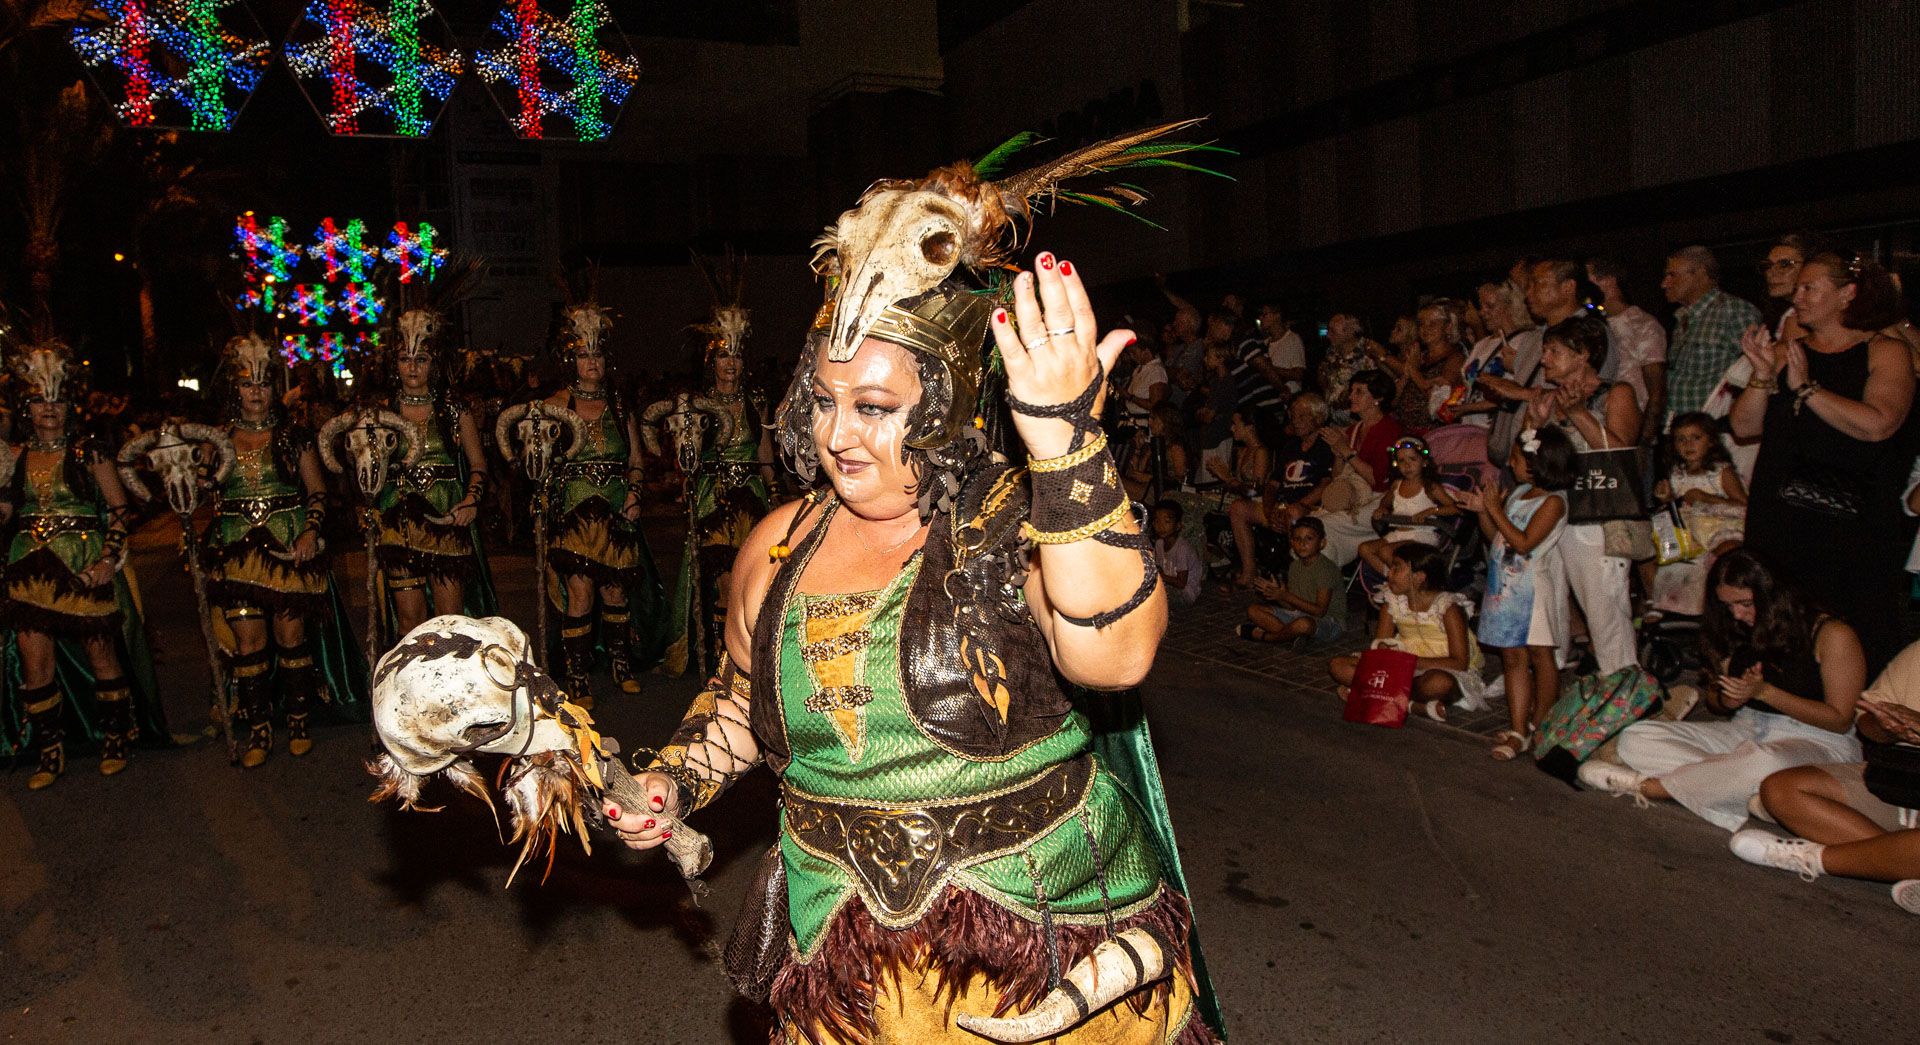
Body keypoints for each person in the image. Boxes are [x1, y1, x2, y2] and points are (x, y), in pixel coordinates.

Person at [608, 137, 1219, 1042]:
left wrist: (1063, 445)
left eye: (877, 408)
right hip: (843, 955)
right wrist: (674, 778)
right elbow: (747, 696)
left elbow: (1115, 653)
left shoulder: (1018, 522)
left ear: (944, 403)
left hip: (1042, 948)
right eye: (823, 401)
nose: (840, 434)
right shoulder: (780, 541)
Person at [1582, 550, 1864, 831]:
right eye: (1728, 605)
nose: (1737, 614)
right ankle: (1745, 793)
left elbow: (1839, 720)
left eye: (1745, 604)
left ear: (1773, 595)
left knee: (1764, 760)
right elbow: (1715, 702)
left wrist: (1766, 693)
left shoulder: (1831, 633)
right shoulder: (1733, 626)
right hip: (1749, 729)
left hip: (1817, 741)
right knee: (1638, 737)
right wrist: (1727, 700)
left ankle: (1652, 787)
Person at [1734, 251, 1916, 673]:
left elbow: (1879, 425)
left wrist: (1808, 390)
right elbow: (1744, 426)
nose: (1797, 296)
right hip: (1780, 511)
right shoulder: (1785, 352)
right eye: (1796, 288)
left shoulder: (1885, 351)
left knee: (1849, 621)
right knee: (1778, 614)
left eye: (1809, 287)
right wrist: (1763, 375)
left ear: (1846, 294)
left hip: (1849, 517)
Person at [0, 340, 164, 789]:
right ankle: (50, 751)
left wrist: (109, 560)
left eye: (55, 399)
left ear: (69, 403)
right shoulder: (14, 457)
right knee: (36, 664)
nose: (47, 409)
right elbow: (7, 514)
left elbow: (118, 508)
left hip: (84, 562)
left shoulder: (88, 452)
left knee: (101, 653)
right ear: (26, 405)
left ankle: (115, 736)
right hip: (28, 567)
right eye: (38, 400)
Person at [202, 334, 366, 766]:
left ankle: (297, 719)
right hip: (236, 552)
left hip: (287, 550)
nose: (255, 393)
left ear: (274, 388)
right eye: (245, 384)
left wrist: (311, 533)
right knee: (247, 641)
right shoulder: (217, 441)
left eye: (263, 384)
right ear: (233, 390)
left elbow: (317, 492)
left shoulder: (295, 436)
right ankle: (258, 730)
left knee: (289, 635)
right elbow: (200, 491)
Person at [1733, 637, 1920, 914]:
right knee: (1781, 790)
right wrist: (1889, 728)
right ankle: (1898, 862)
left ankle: (1813, 857)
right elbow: (1866, 724)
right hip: (1904, 779)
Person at [537, 302, 665, 705]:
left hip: (615, 514)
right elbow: (538, 461)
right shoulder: (556, 404)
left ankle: (620, 664)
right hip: (573, 515)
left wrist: (634, 494)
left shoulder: (619, 403)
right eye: (583, 354)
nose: (591, 361)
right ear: (570, 359)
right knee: (580, 596)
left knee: (615, 595)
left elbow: (634, 458)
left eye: (596, 353)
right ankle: (577, 677)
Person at [663, 286, 775, 679]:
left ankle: (749, 656)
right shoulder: (695, 404)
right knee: (726, 582)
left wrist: (774, 492)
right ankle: (719, 661)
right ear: (712, 360)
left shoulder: (756, 400)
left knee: (754, 581)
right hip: (713, 500)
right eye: (725, 354)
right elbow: (685, 457)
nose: (732, 362)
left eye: (738, 354)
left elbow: (764, 451)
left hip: (751, 498)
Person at [371, 304, 496, 644]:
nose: (412, 367)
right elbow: (367, 474)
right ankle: (413, 692)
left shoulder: (456, 409)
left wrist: (471, 502)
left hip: (447, 519)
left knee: (448, 622)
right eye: (405, 359)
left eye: (421, 360)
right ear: (395, 364)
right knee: (411, 622)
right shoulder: (380, 412)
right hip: (400, 525)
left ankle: (449, 694)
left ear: (434, 363)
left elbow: (478, 465)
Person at [1525, 314, 1641, 674]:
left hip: (1596, 518)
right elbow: (1530, 465)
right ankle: (1551, 674)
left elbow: (1620, 457)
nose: (1544, 359)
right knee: (1549, 601)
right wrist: (1533, 426)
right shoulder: (1549, 399)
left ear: (1583, 355)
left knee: (1604, 608)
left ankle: (1622, 684)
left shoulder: (1615, 393)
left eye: (1553, 351)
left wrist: (1577, 414)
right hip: (1554, 514)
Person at [1461, 425, 1574, 759]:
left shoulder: (1554, 502)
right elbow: (1495, 535)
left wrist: (1495, 509)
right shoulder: (1518, 493)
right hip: (1505, 589)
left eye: (1515, 459)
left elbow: (1524, 543)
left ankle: (1541, 723)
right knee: (1512, 657)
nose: (1510, 466)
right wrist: (1484, 510)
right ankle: (1517, 728)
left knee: (1541, 656)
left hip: (1533, 588)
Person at [1328, 543, 1483, 722]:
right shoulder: (1392, 602)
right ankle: (1410, 705)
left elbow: (1459, 662)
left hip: (1435, 668)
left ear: (1419, 577)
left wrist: (1409, 663)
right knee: (1338, 665)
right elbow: (1381, 643)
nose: (1389, 573)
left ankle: (1378, 695)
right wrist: (1384, 653)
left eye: (1396, 568)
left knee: (1439, 683)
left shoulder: (1448, 607)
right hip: (1400, 667)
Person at [1646, 412, 1748, 618]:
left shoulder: (1721, 472)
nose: (1688, 444)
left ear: (1710, 441)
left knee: (1724, 553)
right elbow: (1677, 508)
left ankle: (1717, 603)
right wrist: (1667, 499)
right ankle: (1668, 606)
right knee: (1666, 553)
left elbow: (1743, 504)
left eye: (1696, 438)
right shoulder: (1676, 473)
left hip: (1719, 527)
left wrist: (1707, 498)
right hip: (1688, 532)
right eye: (1681, 439)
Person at [1227, 394, 1331, 585]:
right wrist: (1269, 509)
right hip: (1281, 505)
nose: (1296, 422)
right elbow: (1273, 484)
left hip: (1308, 507)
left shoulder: (1326, 446)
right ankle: (1249, 571)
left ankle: (1297, 578)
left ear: (1317, 418)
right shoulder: (1290, 446)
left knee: (1293, 513)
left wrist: (1299, 504)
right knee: (1238, 508)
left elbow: (1326, 484)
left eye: (1302, 416)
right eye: (1293, 416)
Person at [1312, 370, 1406, 566]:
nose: (1351, 396)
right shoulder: (1353, 429)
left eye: (1359, 392)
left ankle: (1325, 583)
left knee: (1321, 527)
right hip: (1352, 496)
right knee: (1309, 524)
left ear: (1377, 398)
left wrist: (1346, 450)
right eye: (1352, 390)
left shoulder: (1390, 430)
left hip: (1378, 500)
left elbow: (1378, 481)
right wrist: (1338, 452)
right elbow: (1338, 476)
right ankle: (1315, 580)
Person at [1663, 245, 1764, 424]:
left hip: (1716, 432)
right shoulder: (1683, 319)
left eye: (1672, 275)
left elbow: (1756, 370)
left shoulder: (1735, 311)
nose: (1664, 283)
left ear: (1701, 273)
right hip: (1680, 429)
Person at [1587, 256, 1669, 436]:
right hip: (1593, 424)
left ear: (1608, 281)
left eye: (1588, 280)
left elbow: (1657, 391)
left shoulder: (1641, 323)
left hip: (1627, 428)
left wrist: (1645, 440)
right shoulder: (1589, 323)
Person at [1357, 436, 1457, 577]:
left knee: (1386, 552)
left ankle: (1406, 583)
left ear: (1424, 462)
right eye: (1402, 461)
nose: (1407, 465)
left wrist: (1431, 511)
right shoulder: (1396, 485)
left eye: (1412, 459)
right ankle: (1392, 579)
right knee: (1365, 548)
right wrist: (1382, 508)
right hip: (1398, 533)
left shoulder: (1430, 487)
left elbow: (1454, 508)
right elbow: (1385, 501)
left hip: (1421, 535)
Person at [1241, 516, 1344, 644]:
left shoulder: (1326, 569)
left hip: (1329, 622)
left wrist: (1285, 595)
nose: (1303, 544)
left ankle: (1268, 637)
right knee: (1254, 610)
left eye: (1309, 539)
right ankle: (1291, 636)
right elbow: (1292, 607)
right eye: (1297, 539)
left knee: (1303, 625)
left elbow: (1320, 611)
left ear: (1322, 543)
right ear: (1292, 543)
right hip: (1300, 615)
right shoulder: (1295, 566)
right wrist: (1278, 595)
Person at [1381, 300, 1468, 432]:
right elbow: (1393, 401)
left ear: (1448, 327)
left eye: (1432, 324)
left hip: (1437, 433)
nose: (1425, 329)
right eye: (1421, 324)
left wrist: (1414, 371)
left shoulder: (1456, 358)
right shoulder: (1418, 357)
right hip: (1406, 432)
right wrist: (1407, 372)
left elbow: (1441, 402)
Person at [1213, 409, 1274, 587]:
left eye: (1236, 424)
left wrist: (1228, 479)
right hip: (1239, 499)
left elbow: (1255, 491)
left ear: (1250, 427)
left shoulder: (1260, 452)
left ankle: (1247, 569)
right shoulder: (1243, 451)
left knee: (1194, 506)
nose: (1232, 428)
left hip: (1257, 503)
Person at [1151, 499, 1204, 605]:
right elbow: (1160, 566)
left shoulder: (1182, 549)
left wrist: (1160, 576)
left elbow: (1181, 583)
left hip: (1186, 592)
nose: (1161, 526)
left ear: (1178, 525)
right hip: (1170, 585)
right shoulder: (1159, 544)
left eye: (1167, 522)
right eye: (1157, 521)